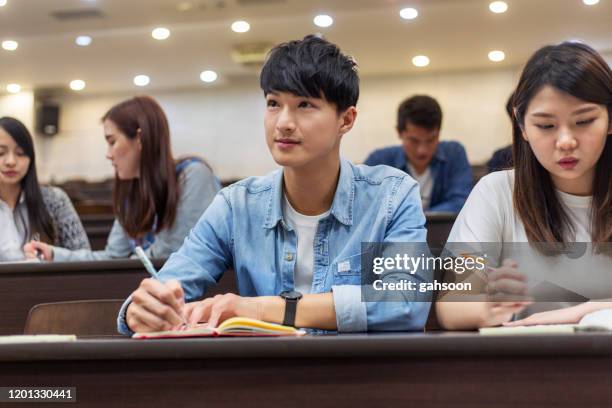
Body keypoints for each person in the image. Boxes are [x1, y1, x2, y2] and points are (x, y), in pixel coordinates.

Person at [118, 35, 431, 335]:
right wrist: (140, 311)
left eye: (304, 105)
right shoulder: (235, 205)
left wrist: (261, 309)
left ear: (346, 120)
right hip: (264, 380)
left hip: (363, 377)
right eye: (273, 103)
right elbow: (171, 284)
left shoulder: (392, 195)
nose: (283, 122)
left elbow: (406, 302)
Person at [436, 42, 612, 330]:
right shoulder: (495, 192)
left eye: (584, 121)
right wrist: (487, 308)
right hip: (527, 368)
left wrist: (588, 311)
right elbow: (454, 305)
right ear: (522, 126)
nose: (566, 141)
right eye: (546, 125)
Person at [24, 96, 220, 261]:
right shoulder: (130, 194)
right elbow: (113, 258)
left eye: (112, 142)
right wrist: (54, 255)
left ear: (140, 139)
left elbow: (173, 254)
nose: (108, 154)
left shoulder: (193, 176)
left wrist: (130, 265)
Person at [0, 117, 90, 261]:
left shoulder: (55, 200)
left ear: (31, 158)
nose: (11, 161)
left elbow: (85, 256)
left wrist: (53, 255)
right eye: (1, 153)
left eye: (21, 153)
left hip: (48, 283)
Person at [364, 95, 472, 213]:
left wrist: (406, 219)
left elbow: (460, 204)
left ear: (439, 132)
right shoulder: (379, 161)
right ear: (399, 132)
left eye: (431, 140)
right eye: (414, 141)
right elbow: (364, 205)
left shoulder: (454, 153)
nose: (422, 150)